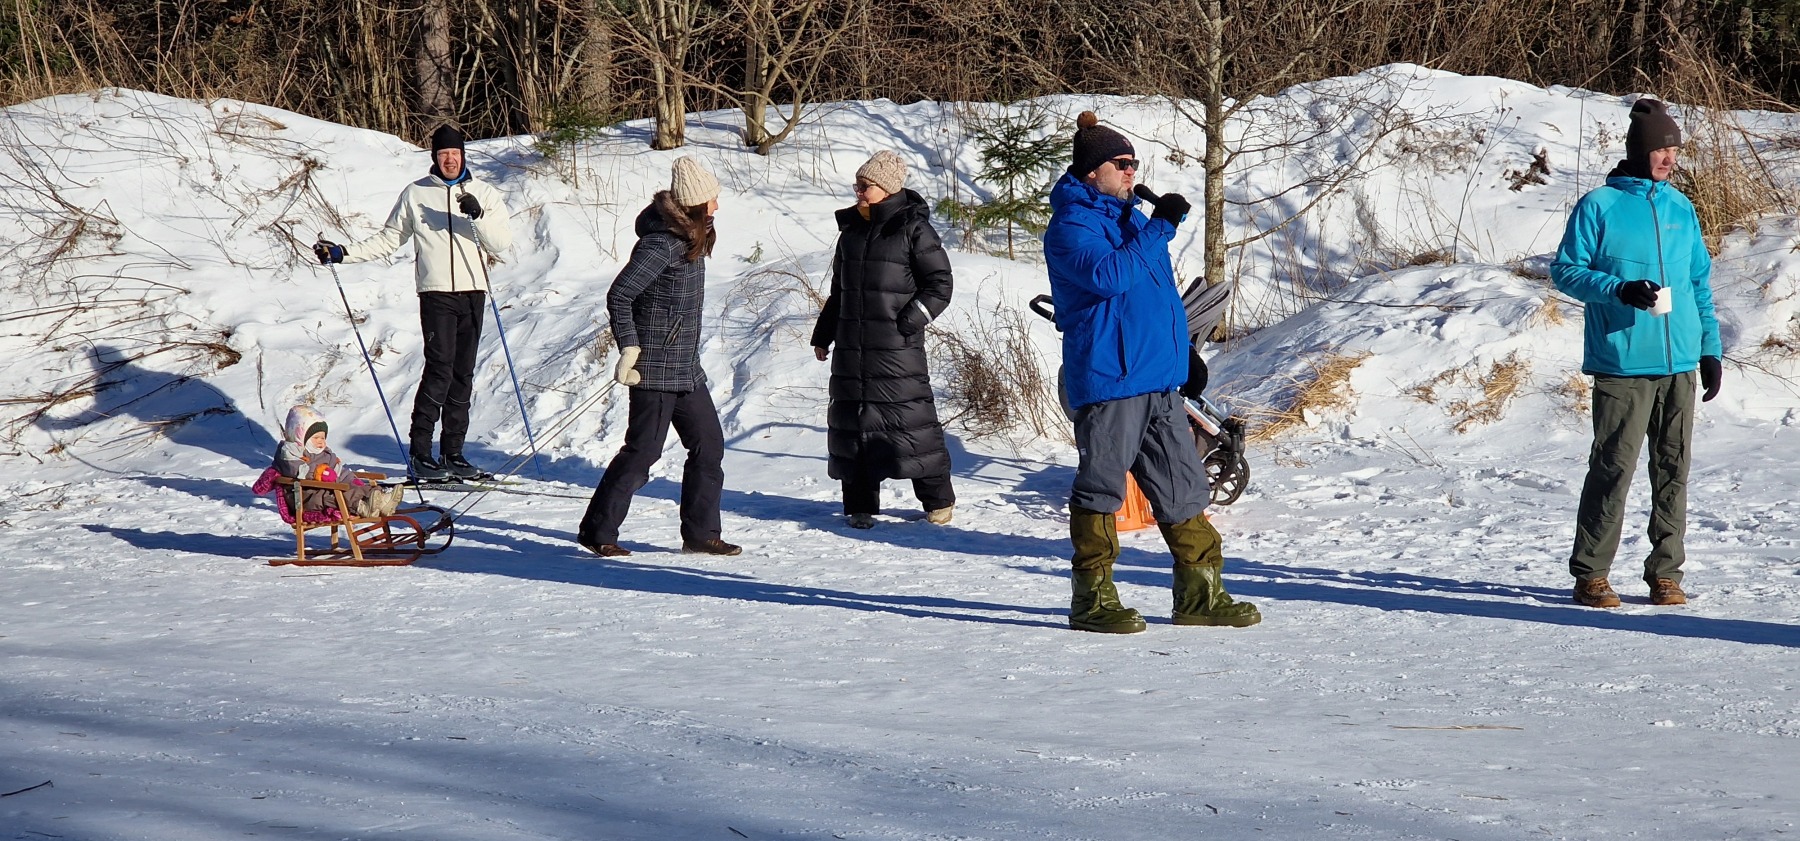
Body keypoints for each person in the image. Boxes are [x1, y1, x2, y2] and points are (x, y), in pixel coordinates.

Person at [1042, 111, 1261, 634]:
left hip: (1157, 380)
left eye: (1134, 163)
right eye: (1120, 163)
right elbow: (1109, 276)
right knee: (1101, 488)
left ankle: (1200, 596)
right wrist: (1160, 227)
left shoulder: (1131, 222)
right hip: (1112, 378)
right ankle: (1092, 599)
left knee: (1183, 485)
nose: (1131, 171)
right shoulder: (1071, 226)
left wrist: (1181, 355)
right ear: (1092, 170)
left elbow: (1157, 300)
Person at [1552, 98, 1721, 608]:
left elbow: (1698, 284)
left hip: (1679, 364)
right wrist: (1618, 289)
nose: (1669, 158)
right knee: (1613, 470)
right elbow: (1566, 270)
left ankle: (1665, 574)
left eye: (1674, 150)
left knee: (1673, 472)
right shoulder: (1599, 205)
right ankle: (1591, 575)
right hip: (1622, 363)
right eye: (1660, 150)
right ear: (1637, 151)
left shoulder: (1680, 207)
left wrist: (1709, 349)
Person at [314, 124, 515, 483]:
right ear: (435, 157)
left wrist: (478, 215)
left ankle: (453, 453)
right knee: (439, 370)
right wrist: (344, 253)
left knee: (463, 374)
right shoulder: (416, 193)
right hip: (436, 294)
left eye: (455, 153)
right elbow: (390, 238)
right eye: (443, 154)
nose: (450, 160)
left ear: (463, 155)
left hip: (473, 292)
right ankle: (421, 453)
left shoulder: (484, 193)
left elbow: (500, 244)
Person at [577, 156, 740, 558]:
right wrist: (629, 346)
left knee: (709, 446)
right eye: (712, 200)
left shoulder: (692, 236)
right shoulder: (661, 244)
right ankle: (598, 531)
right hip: (654, 368)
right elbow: (620, 294)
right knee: (643, 452)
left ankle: (701, 534)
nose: (717, 206)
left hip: (686, 367)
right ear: (695, 204)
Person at [811, 150, 956, 529]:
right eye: (857, 185)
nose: (858, 191)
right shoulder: (851, 232)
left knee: (913, 425)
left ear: (888, 189)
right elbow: (840, 290)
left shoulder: (913, 229)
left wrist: (906, 323)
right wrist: (824, 334)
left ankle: (938, 501)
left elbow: (940, 285)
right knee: (854, 426)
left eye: (865, 186)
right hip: (851, 350)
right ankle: (860, 506)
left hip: (896, 351)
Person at [271, 404, 403, 519]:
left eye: (323, 437)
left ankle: (382, 502)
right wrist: (319, 472)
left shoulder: (325, 454)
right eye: (316, 437)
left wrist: (352, 480)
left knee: (356, 488)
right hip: (305, 496)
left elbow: (339, 471)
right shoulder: (290, 452)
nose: (321, 441)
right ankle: (362, 507)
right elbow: (295, 468)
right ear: (300, 436)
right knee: (339, 494)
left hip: (324, 491)